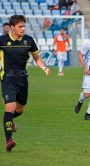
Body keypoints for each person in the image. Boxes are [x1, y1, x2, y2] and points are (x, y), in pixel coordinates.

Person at [0, 15, 50, 152]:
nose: (23, 29)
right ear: (12, 27)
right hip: (8, 79)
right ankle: (9, 140)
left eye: (24, 26)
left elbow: (37, 57)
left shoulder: (29, 40)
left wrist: (44, 67)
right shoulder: (2, 40)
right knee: (9, 108)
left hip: (22, 79)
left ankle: (8, 121)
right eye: (20, 26)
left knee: (20, 110)